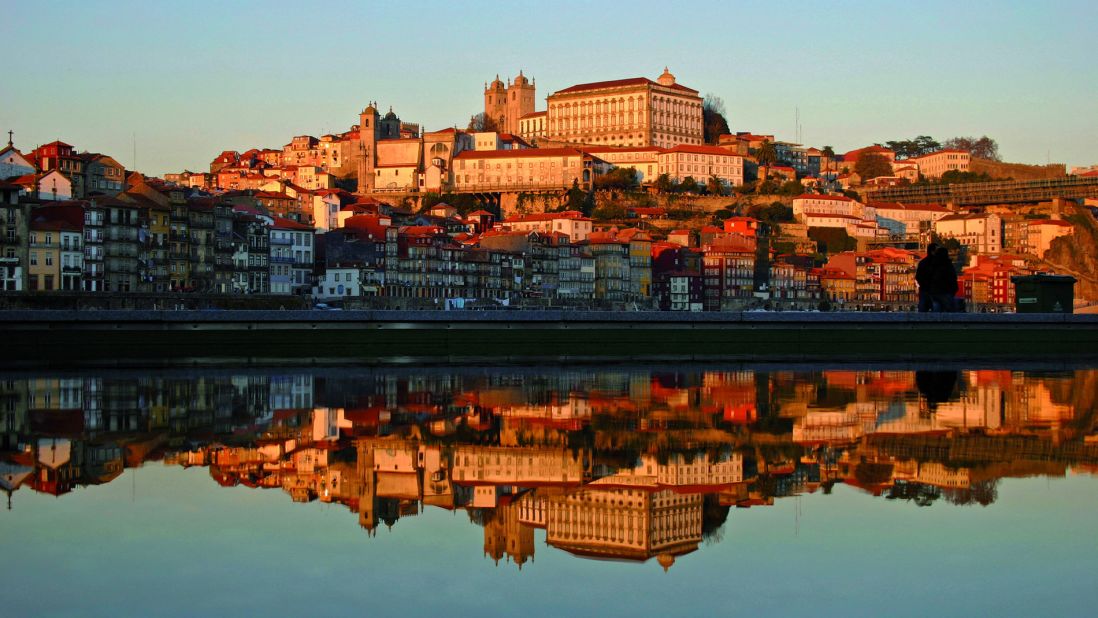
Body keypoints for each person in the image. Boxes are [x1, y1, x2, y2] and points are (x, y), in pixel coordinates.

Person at [930, 245, 958, 312]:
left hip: (934, 292)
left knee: (936, 310)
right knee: (951, 312)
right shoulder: (948, 266)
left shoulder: (933, 265)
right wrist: (953, 289)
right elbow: (953, 278)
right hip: (946, 292)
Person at [914, 243, 938, 312]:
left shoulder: (922, 263)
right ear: (932, 251)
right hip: (935, 291)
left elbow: (917, 277)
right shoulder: (938, 263)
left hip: (924, 290)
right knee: (937, 311)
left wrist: (922, 284)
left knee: (922, 310)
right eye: (937, 251)